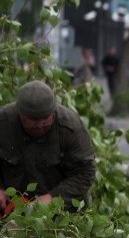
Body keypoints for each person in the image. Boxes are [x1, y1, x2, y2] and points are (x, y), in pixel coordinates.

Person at [0, 80, 96, 215]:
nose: (40, 124)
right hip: (10, 210)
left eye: (45, 117)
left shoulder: (70, 127)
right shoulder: (3, 123)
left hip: (61, 213)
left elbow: (84, 172)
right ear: (20, 114)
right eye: (33, 119)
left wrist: (52, 198)